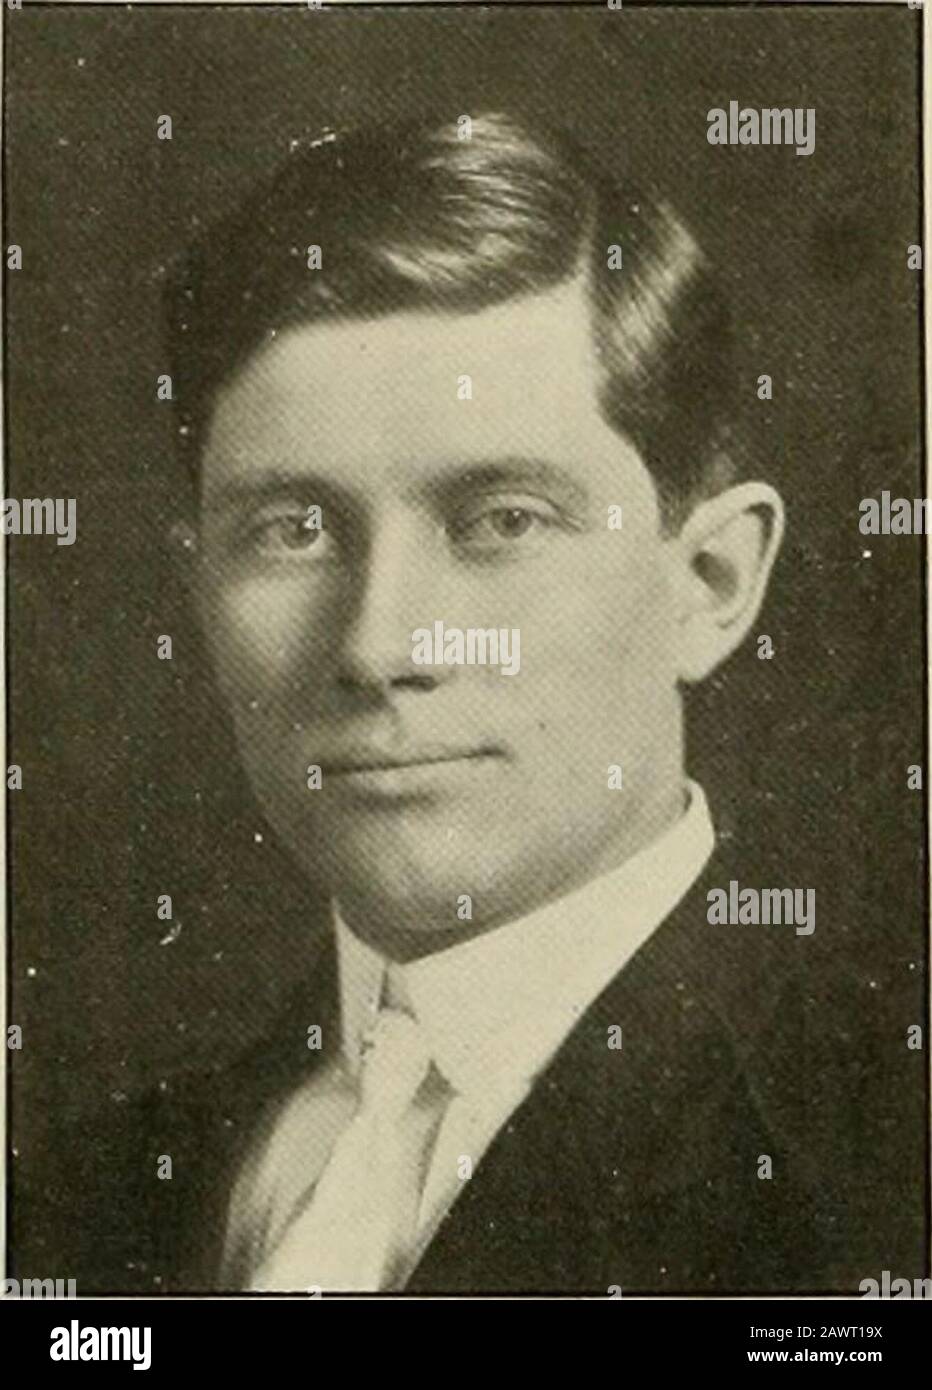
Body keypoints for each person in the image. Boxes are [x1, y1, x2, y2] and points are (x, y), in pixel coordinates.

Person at [18, 110, 886, 1295]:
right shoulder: (66, 1204)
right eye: (291, 529)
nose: (379, 647)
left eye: (501, 521)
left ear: (708, 583)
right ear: (199, 588)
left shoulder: (875, 1176)